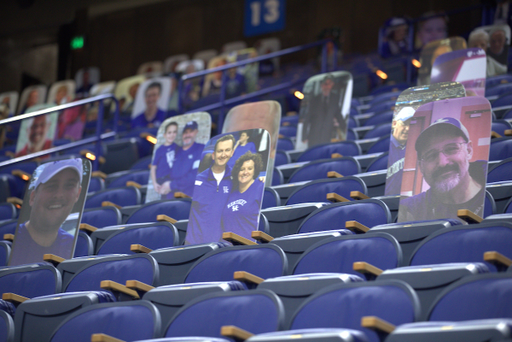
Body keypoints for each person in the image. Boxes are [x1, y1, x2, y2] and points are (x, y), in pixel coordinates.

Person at [399, 117, 486, 222]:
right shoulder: (409, 211)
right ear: (421, 167)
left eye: (451, 149)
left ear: (468, 150)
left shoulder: (501, 192)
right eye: (431, 155)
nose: (442, 163)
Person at [9, 159, 83, 265]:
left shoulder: (76, 247)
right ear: (33, 197)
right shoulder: (9, 238)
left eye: (69, 186)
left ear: (77, 194)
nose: (59, 195)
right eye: (51, 186)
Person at [186, 134, 236, 245]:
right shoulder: (197, 181)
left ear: (232, 153)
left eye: (227, 150)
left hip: (224, 246)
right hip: (197, 245)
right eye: (219, 151)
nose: (223, 155)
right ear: (213, 155)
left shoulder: (237, 180)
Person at [221, 152, 264, 239]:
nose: (245, 172)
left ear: (255, 171)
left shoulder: (260, 187)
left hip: (249, 245)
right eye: (242, 169)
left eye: (250, 168)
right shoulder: (230, 192)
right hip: (227, 246)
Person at [301, 74, 346, 147]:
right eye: (325, 84)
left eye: (329, 84)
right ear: (322, 85)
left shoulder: (335, 98)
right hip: (314, 136)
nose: (327, 87)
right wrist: (304, 136)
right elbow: (307, 118)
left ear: (332, 85)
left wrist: (344, 128)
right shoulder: (314, 100)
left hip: (327, 136)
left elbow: (338, 115)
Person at [162, 121, 204, 198]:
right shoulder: (175, 151)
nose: (187, 135)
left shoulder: (201, 149)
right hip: (168, 196)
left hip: (188, 198)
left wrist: (171, 185)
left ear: (196, 132)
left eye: (190, 132)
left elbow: (196, 175)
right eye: (185, 132)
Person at [385, 106, 415, 195]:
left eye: (411, 124)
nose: (408, 128)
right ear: (394, 123)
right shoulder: (385, 146)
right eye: (404, 124)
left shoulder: (415, 146)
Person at [150, 121, 180, 197]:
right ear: (164, 135)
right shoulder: (160, 150)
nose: (172, 135)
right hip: (162, 179)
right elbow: (153, 168)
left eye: (174, 132)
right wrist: (154, 183)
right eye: (169, 133)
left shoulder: (177, 148)